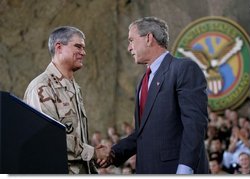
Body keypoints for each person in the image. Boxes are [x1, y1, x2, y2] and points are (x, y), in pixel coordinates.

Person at [98, 17, 209, 174]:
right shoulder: (142, 81)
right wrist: (114, 153)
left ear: (149, 38)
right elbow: (142, 133)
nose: (129, 48)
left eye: (131, 40)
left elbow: (195, 125)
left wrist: (185, 169)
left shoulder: (183, 69)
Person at [23, 26, 109, 174]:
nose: (83, 52)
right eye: (78, 46)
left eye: (83, 47)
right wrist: (93, 152)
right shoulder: (41, 87)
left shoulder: (74, 87)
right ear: (59, 47)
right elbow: (49, 139)